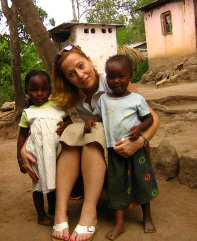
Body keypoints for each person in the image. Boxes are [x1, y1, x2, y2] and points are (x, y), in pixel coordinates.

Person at [20, 45, 159, 241]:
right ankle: (61, 212)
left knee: (93, 130)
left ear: (89, 60)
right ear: (67, 79)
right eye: (71, 73)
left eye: (81, 65)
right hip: (101, 151)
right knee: (71, 130)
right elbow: (41, 116)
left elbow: (154, 118)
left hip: (124, 149)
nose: (80, 75)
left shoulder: (112, 79)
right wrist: (23, 148)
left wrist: (140, 142)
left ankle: (89, 213)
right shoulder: (73, 94)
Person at [84, 54, 159, 240]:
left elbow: (149, 118)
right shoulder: (103, 100)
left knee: (141, 181)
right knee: (116, 187)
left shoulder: (136, 99)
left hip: (135, 150)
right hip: (114, 150)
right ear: (106, 77)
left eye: (121, 76)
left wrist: (140, 129)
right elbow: (99, 116)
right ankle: (119, 224)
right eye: (111, 77)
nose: (115, 81)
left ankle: (147, 216)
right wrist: (92, 119)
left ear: (130, 76)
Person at [17, 70, 72, 226]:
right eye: (34, 90)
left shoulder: (58, 106)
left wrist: (65, 125)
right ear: (27, 91)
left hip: (56, 153)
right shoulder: (28, 113)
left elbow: (70, 123)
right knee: (38, 184)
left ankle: (55, 210)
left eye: (44, 89)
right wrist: (20, 157)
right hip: (36, 155)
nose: (39, 93)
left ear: (49, 90)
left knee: (56, 181)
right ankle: (41, 216)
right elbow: (22, 135)